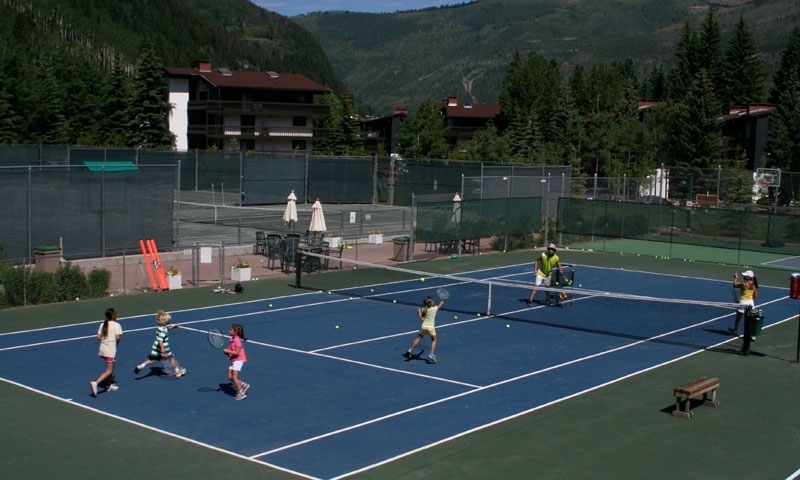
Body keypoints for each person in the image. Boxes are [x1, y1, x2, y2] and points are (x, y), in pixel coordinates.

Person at [134, 310, 186, 377]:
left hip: (155, 348)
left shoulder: (159, 328)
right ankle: (177, 371)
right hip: (164, 348)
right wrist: (162, 348)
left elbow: (166, 330)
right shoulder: (164, 330)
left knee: (151, 360)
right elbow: (160, 340)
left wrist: (174, 327)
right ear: (166, 321)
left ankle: (140, 366)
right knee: (171, 358)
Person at [90, 308, 123, 397]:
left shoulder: (102, 324)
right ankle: (95, 383)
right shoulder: (117, 325)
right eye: (116, 314)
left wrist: (105, 341)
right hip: (110, 350)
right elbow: (118, 337)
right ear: (113, 316)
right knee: (109, 370)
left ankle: (108, 386)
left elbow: (98, 336)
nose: (118, 316)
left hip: (103, 349)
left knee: (112, 366)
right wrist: (113, 343)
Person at [404, 296, 444, 364]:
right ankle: (431, 354)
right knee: (434, 340)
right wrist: (442, 301)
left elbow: (422, 319)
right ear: (431, 302)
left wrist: (419, 313)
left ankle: (410, 350)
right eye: (432, 300)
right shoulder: (434, 308)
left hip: (424, 326)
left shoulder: (423, 310)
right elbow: (441, 305)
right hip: (431, 327)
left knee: (419, 338)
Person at [223, 323, 249, 400]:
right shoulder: (231, 339)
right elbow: (231, 352)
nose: (229, 331)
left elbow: (237, 353)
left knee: (234, 378)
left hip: (238, 361)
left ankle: (241, 392)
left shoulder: (237, 341)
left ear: (236, 332)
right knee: (230, 377)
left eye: (231, 330)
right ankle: (244, 385)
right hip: (234, 360)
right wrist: (227, 353)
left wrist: (228, 351)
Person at [730, 269, 758, 336]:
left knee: (738, 318)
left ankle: (735, 330)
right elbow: (755, 296)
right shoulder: (754, 285)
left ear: (749, 277)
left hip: (742, 303)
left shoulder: (744, 284)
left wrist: (735, 277)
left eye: (745, 276)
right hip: (751, 303)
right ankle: (750, 333)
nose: (744, 276)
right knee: (749, 319)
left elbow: (735, 285)